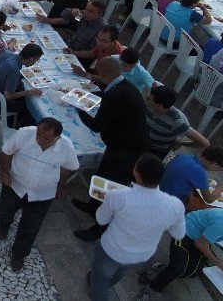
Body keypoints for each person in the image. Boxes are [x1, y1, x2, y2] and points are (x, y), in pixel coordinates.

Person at [87, 154, 185, 301]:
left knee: (100, 279)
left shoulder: (117, 196)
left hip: (112, 248)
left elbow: (101, 220)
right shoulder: (176, 205)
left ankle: (99, 287)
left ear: (136, 172)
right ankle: (105, 281)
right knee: (119, 269)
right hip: (141, 254)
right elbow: (179, 234)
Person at [73, 58, 151, 242]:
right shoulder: (124, 86)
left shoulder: (117, 95)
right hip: (118, 144)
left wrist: (78, 107)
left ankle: (98, 230)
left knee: (112, 189)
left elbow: (96, 125)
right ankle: (93, 206)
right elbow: (107, 98)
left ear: (102, 73)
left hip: (127, 151)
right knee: (102, 176)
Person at [0, 118, 78, 271]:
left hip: (42, 195)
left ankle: (19, 254)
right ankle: (3, 225)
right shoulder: (23, 135)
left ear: (57, 138)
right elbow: (7, 151)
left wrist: (60, 187)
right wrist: (5, 171)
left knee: (30, 226)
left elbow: (67, 168)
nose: (40, 139)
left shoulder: (66, 148)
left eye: (46, 138)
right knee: (4, 209)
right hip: (14, 185)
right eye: (38, 135)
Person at [145, 86, 209, 158]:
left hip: (156, 151)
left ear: (159, 105)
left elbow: (204, 143)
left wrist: (180, 143)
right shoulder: (148, 106)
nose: (146, 98)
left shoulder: (177, 121)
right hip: (142, 140)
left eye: (149, 99)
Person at [0, 44, 44, 126]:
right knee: (30, 108)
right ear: (31, 59)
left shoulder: (7, 53)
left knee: (22, 93)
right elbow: (7, 96)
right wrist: (28, 92)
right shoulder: (14, 69)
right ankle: (19, 127)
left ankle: (14, 119)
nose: (35, 63)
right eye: (36, 61)